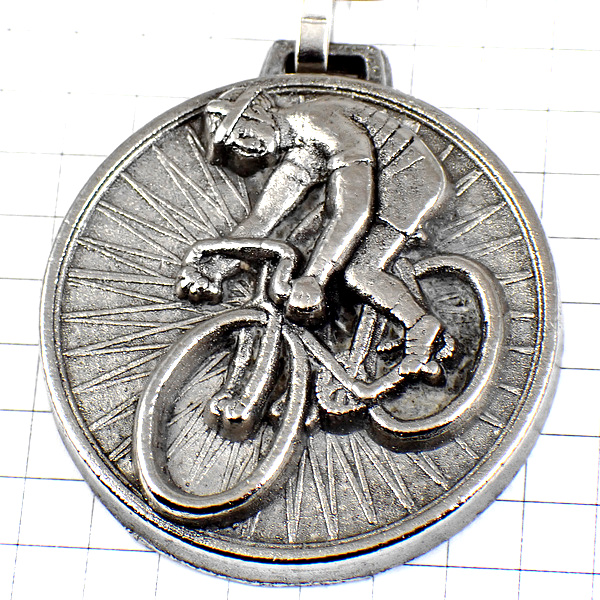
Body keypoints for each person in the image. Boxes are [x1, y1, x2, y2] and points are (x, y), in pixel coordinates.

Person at [176, 86, 452, 378]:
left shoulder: (322, 126)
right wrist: (214, 270)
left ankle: (420, 327)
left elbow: (354, 209)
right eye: (232, 144)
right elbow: (262, 219)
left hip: (407, 179)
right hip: (378, 179)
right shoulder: (300, 146)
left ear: (258, 112)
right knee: (303, 239)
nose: (244, 147)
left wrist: (315, 278)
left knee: (360, 272)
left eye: (243, 132)